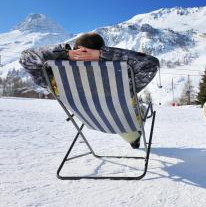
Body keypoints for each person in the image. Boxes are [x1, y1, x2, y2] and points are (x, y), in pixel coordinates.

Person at [19, 32, 159, 149]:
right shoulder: (118, 78)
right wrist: (102, 55)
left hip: (91, 120)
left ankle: (133, 137)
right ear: (101, 50)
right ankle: (134, 138)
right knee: (133, 107)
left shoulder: (58, 78)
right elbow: (151, 64)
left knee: (109, 110)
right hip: (123, 122)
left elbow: (25, 58)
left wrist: (65, 54)